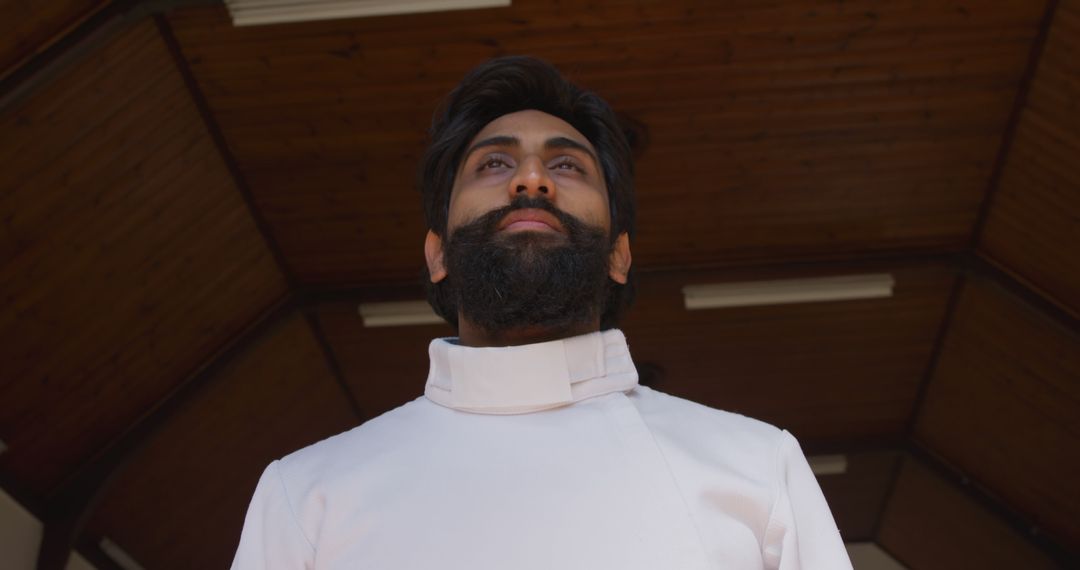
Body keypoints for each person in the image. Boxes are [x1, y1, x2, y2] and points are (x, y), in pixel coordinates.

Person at [231, 56, 852, 570]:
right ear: (438, 253)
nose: (531, 180)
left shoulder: (757, 469)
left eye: (565, 165)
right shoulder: (307, 497)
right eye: (495, 163)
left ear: (619, 254)